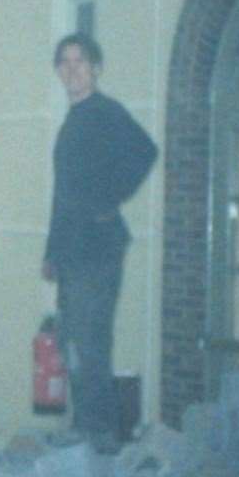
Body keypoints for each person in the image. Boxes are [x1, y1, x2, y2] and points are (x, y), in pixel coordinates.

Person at [41, 33, 158, 454]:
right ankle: (86, 427)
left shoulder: (105, 112)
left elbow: (145, 151)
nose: (72, 69)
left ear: (96, 68)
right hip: (72, 247)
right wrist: (51, 252)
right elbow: (64, 193)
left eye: (80, 61)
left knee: (90, 340)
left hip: (99, 244)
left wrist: (109, 199)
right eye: (65, 63)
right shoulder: (73, 121)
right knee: (73, 337)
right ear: (59, 71)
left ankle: (99, 435)